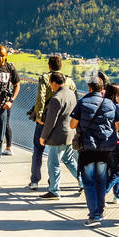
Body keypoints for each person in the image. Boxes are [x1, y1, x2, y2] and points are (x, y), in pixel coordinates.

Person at [69, 79, 118, 226]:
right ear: (102, 88)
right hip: (105, 149)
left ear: (89, 88)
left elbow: (72, 124)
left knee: (89, 182)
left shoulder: (83, 103)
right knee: (101, 180)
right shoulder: (109, 103)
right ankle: (100, 212)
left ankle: (94, 215)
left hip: (88, 149)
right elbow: (116, 126)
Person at [30, 55, 76, 189]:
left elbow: (41, 97)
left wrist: (38, 116)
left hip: (45, 119)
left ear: (49, 65)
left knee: (38, 149)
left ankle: (35, 180)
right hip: (63, 122)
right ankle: (53, 182)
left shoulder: (45, 79)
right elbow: (75, 101)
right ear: (61, 66)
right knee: (55, 154)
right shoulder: (70, 82)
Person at [36, 71, 79, 199]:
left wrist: (43, 136)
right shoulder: (71, 94)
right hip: (71, 133)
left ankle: (54, 190)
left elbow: (50, 121)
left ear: (54, 83)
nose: (50, 86)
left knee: (53, 163)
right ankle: (83, 182)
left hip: (58, 136)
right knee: (69, 160)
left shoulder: (56, 98)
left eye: (50, 83)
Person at [0, 46, 21, 163]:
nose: (0, 58)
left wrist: (11, 101)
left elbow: (17, 85)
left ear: (6, 56)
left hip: (3, 106)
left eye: (3, 56)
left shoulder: (10, 68)